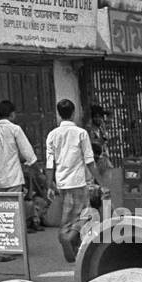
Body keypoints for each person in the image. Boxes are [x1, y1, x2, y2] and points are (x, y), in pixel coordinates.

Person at [0, 101, 40, 253]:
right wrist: (37, 170)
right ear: (12, 114)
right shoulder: (15, 129)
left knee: (3, 213)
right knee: (15, 214)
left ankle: (5, 247)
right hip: (14, 177)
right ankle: (12, 248)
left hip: (0, 179)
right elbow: (29, 153)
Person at [45, 99, 95, 263]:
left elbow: (49, 163)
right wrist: (100, 181)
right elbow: (89, 160)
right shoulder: (81, 133)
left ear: (59, 114)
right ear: (73, 113)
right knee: (84, 216)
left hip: (62, 183)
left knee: (67, 215)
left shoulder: (52, 135)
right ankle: (66, 238)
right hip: (79, 182)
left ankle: (73, 244)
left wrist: (49, 185)